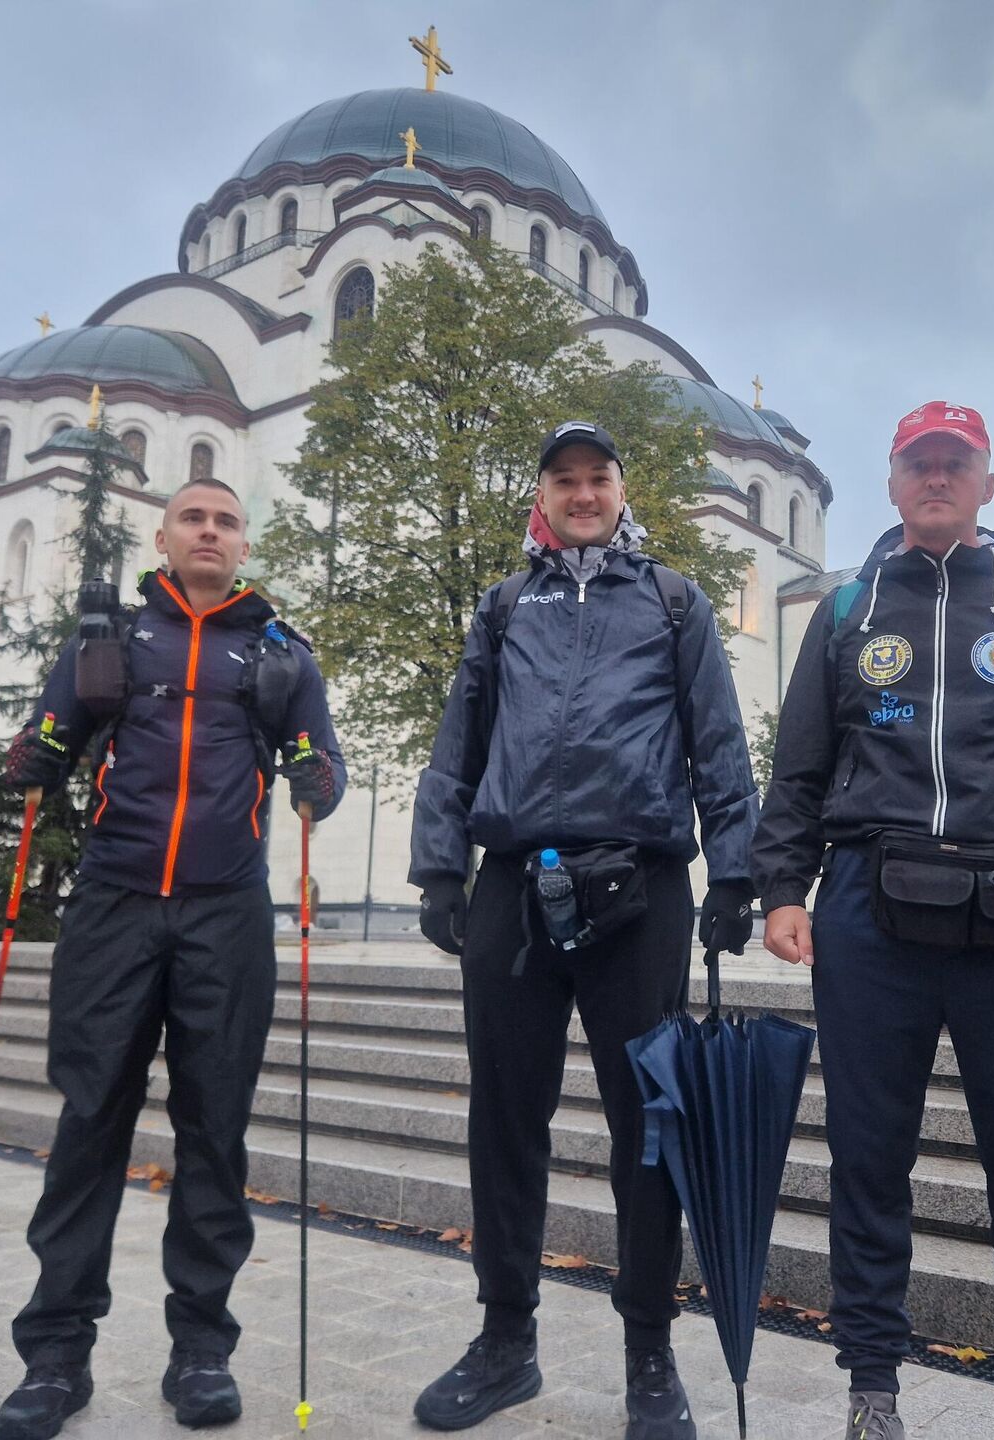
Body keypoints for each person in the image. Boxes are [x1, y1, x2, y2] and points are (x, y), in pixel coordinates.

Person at [751, 403, 994, 1440]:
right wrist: (782, 890)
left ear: (987, 483)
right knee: (868, 1161)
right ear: (890, 481)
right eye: (919, 462)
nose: (936, 477)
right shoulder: (845, 614)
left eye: (955, 463)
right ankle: (872, 1389)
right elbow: (796, 770)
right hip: (867, 919)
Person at [408, 420, 760, 1438]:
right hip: (515, 888)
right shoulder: (504, 604)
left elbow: (719, 743)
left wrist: (734, 875)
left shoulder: (672, 600)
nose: (582, 493)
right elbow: (458, 740)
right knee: (504, 1124)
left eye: (597, 477)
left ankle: (649, 1354)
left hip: (639, 890)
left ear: (619, 487)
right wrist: (441, 866)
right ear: (545, 496)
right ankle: (504, 1341)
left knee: (649, 1131)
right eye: (563, 480)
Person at [0, 476, 346, 1440]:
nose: (210, 532)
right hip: (112, 903)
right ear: (165, 534)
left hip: (226, 913)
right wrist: (29, 757)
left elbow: (325, 767)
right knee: (90, 1120)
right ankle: (55, 1360)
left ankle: (201, 1352)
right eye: (195, 517)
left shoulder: (279, 650)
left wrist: (319, 776)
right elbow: (46, 741)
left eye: (227, 522)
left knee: (214, 1131)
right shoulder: (108, 640)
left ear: (243, 545)